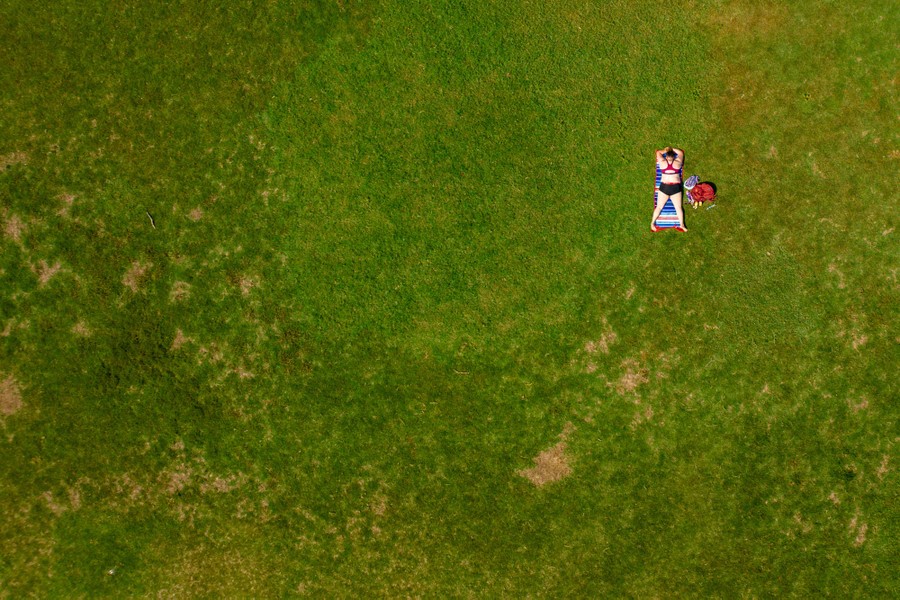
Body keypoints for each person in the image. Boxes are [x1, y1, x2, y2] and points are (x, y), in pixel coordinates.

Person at [651, 146, 687, 232]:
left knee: (659, 207)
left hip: (664, 187)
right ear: (674, 157)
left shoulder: (663, 162)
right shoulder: (677, 162)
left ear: (666, 157)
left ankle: (652, 223)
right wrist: (672, 148)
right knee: (678, 208)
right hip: (675, 188)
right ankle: (682, 225)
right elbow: (681, 153)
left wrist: (666, 149)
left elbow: (658, 153)